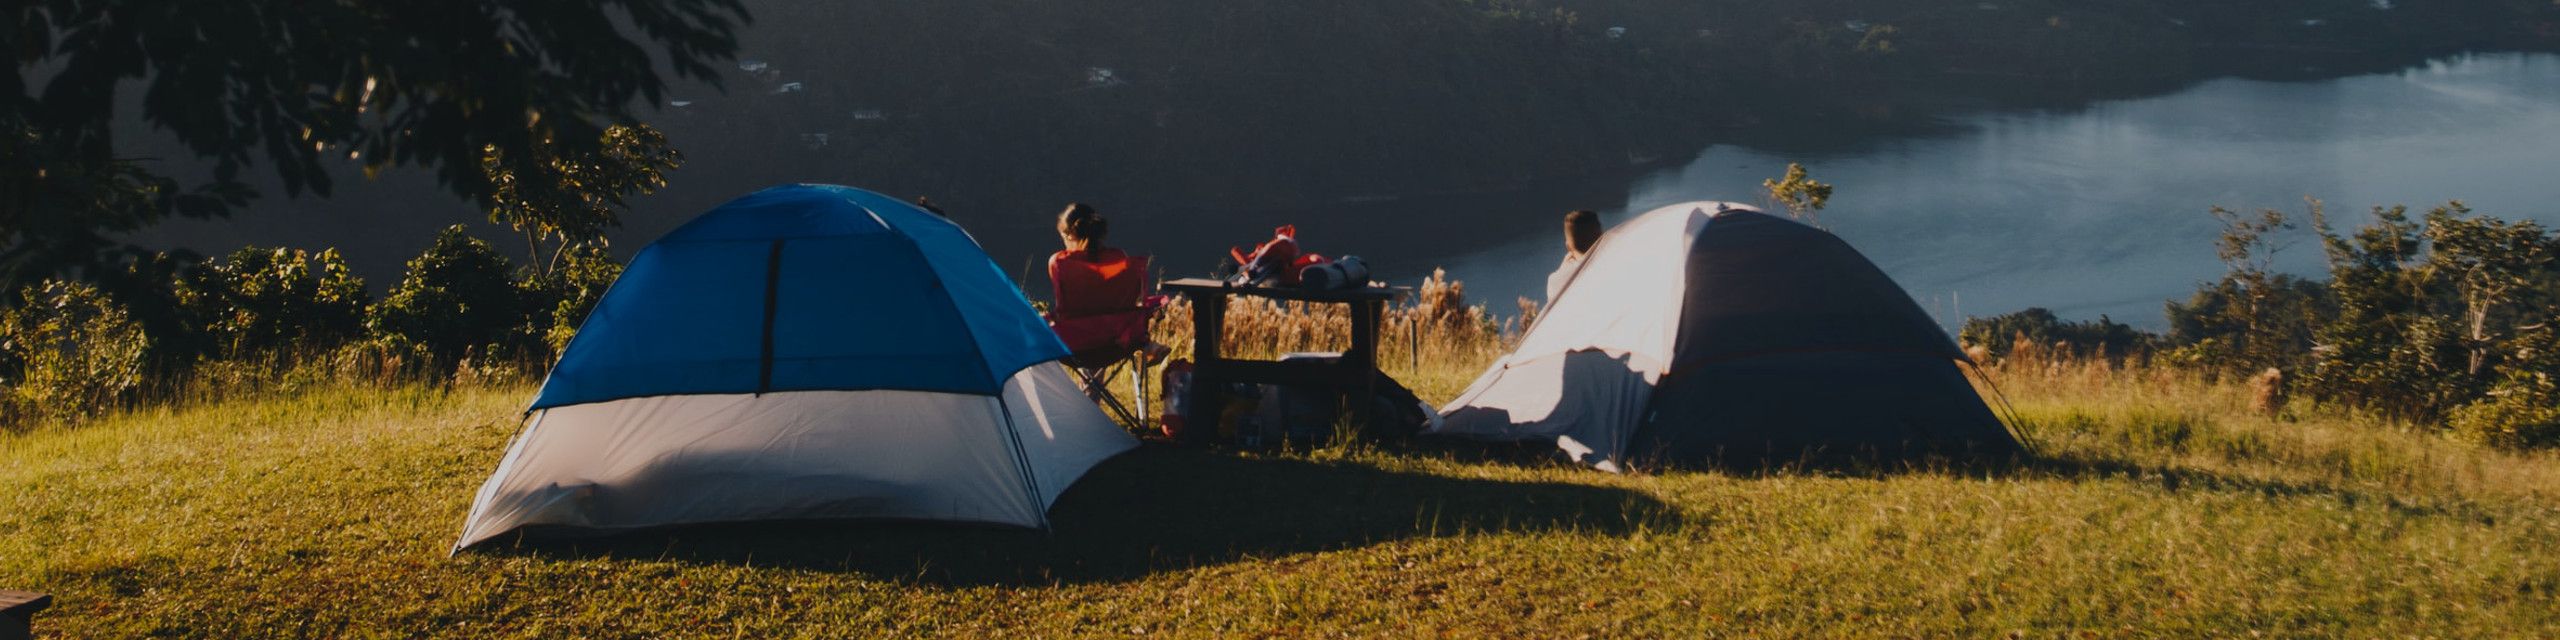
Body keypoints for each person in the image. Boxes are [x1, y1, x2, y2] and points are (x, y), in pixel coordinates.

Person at [1049, 203, 1169, 361]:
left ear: (1070, 236)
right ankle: (1096, 384)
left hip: (1074, 343)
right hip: (1118, 343)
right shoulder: (1119, 258)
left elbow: (1062, 309)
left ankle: (1089, 385)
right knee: (1106, 328)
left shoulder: (1060, 262)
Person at [1547, 209, 1604, 303]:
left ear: (1568, 247)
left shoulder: (1555, 281)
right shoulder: (1616, 265)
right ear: (1602, 237)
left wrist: (1561, 271)